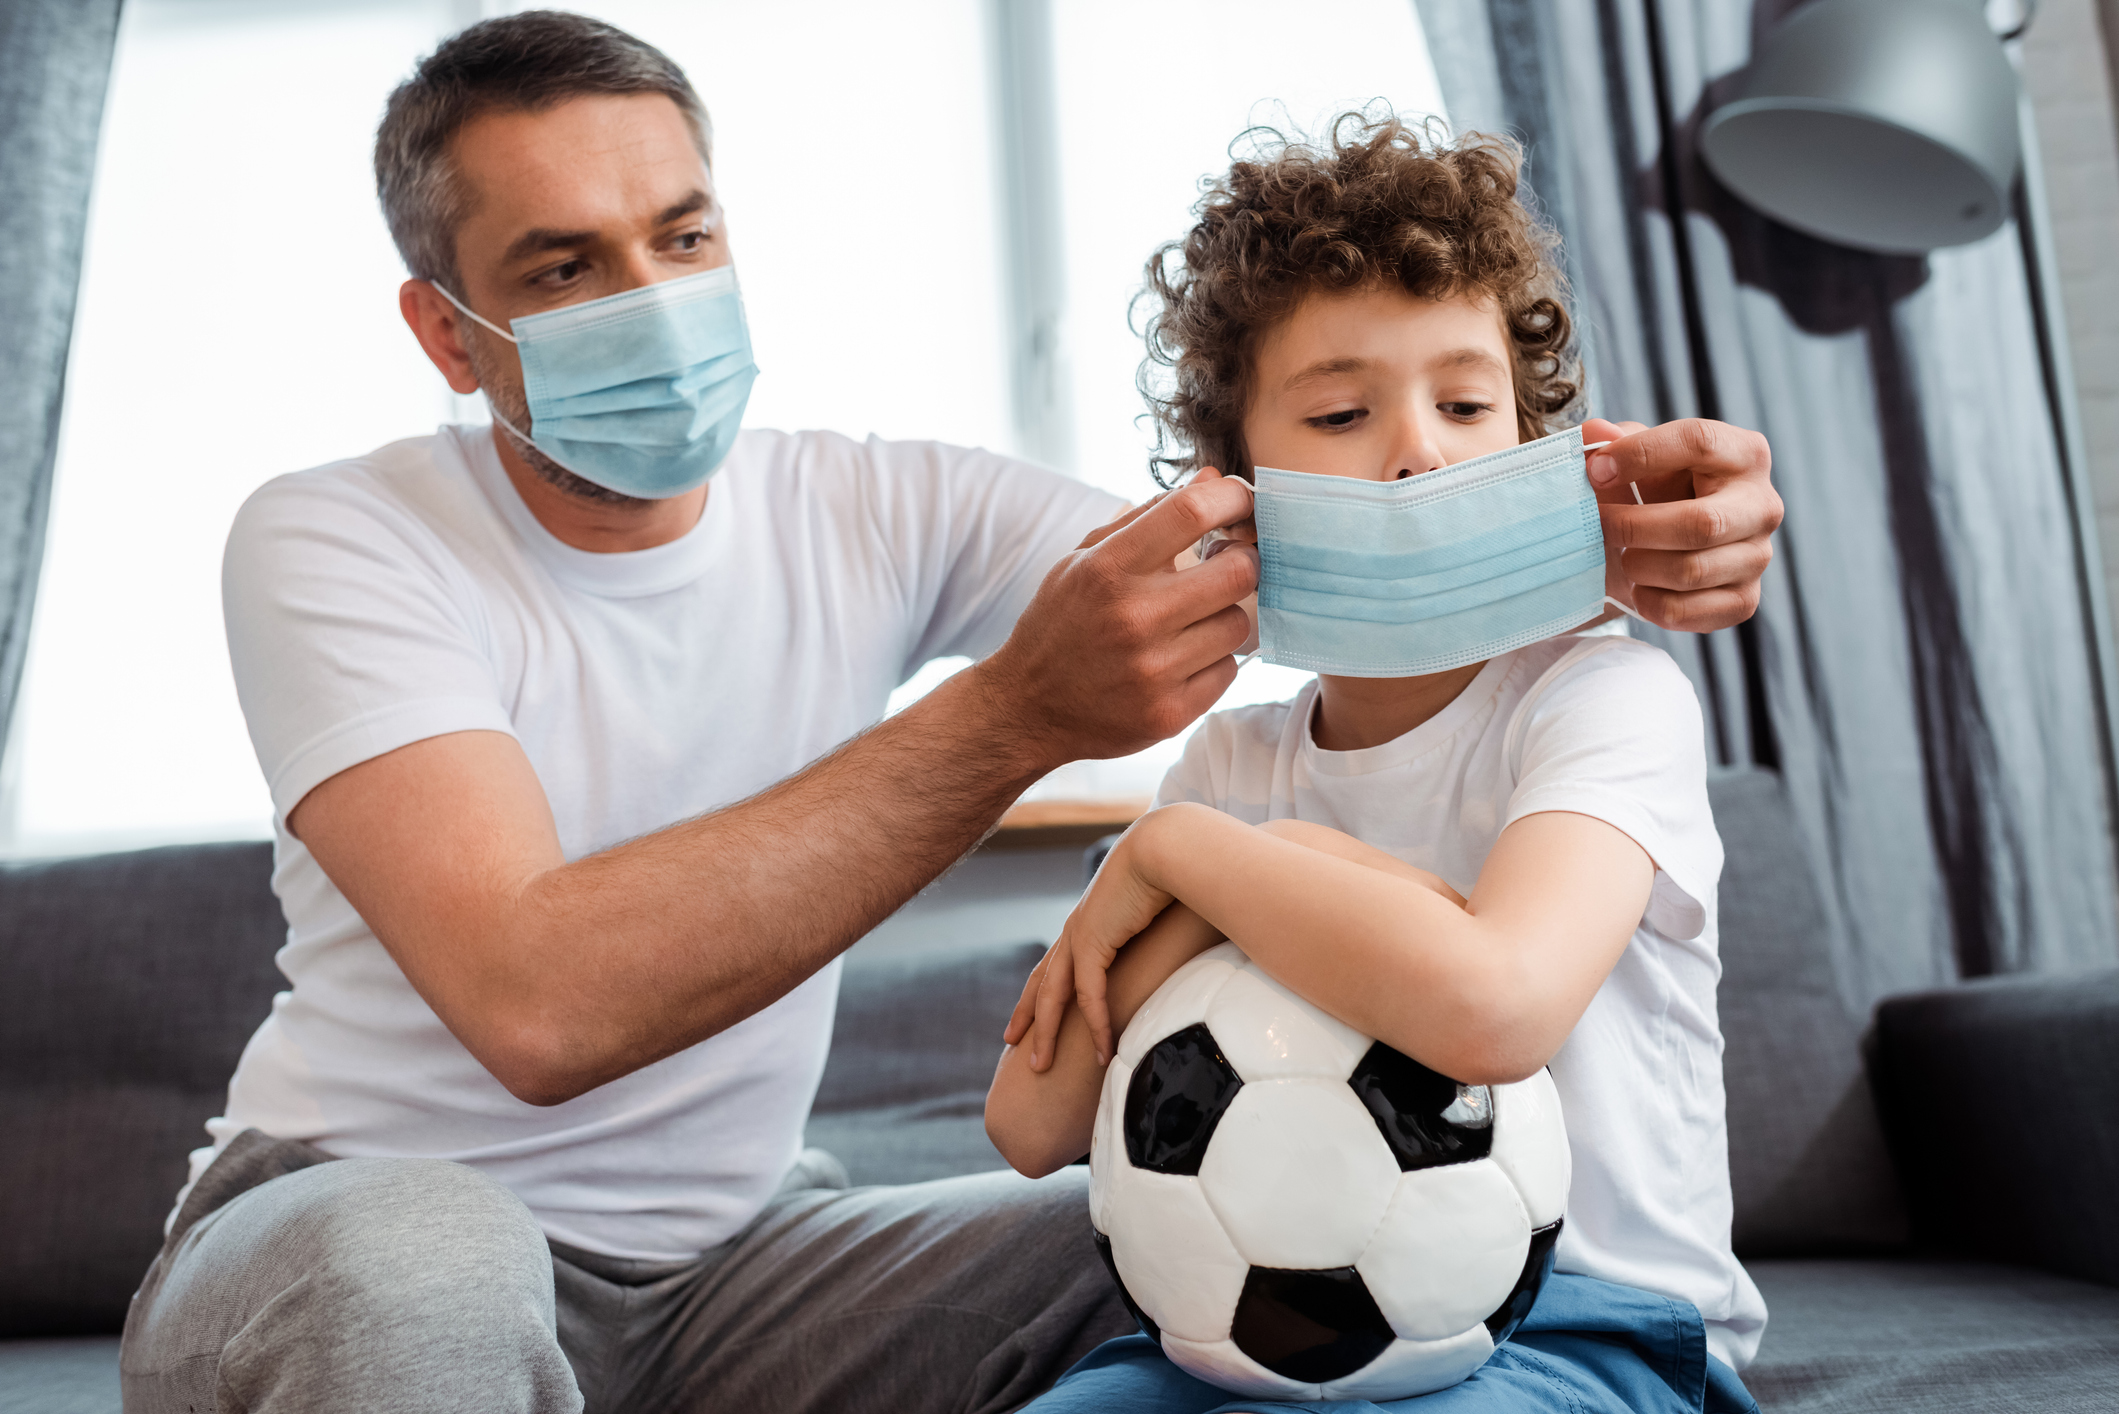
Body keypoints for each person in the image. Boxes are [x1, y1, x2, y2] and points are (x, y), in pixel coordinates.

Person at [116, 13, 1781, 1414]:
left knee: (1164, 1243)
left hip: (733, 1270)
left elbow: (1295, 540)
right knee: (432, 1266)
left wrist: (1614, 510)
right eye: (566, 266)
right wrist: (1011, 720)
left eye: (684, 235)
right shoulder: (331, 534)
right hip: (349, 1230)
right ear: (448, 332)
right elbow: (536, 1005)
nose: (654, 295)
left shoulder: (873, 508)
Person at [986, 117, 1763, 1414]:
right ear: (1233, 487)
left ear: (1532, 445)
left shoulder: (1603, 699)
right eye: (1343, 412)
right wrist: (1228, 848)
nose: (1419, 451)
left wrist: (1201, 859)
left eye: (1466, 404)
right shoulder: (1235, 759)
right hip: (1252, 1339)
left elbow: (1494, 1010)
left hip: (1583, 1330)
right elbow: (1032, 1120)